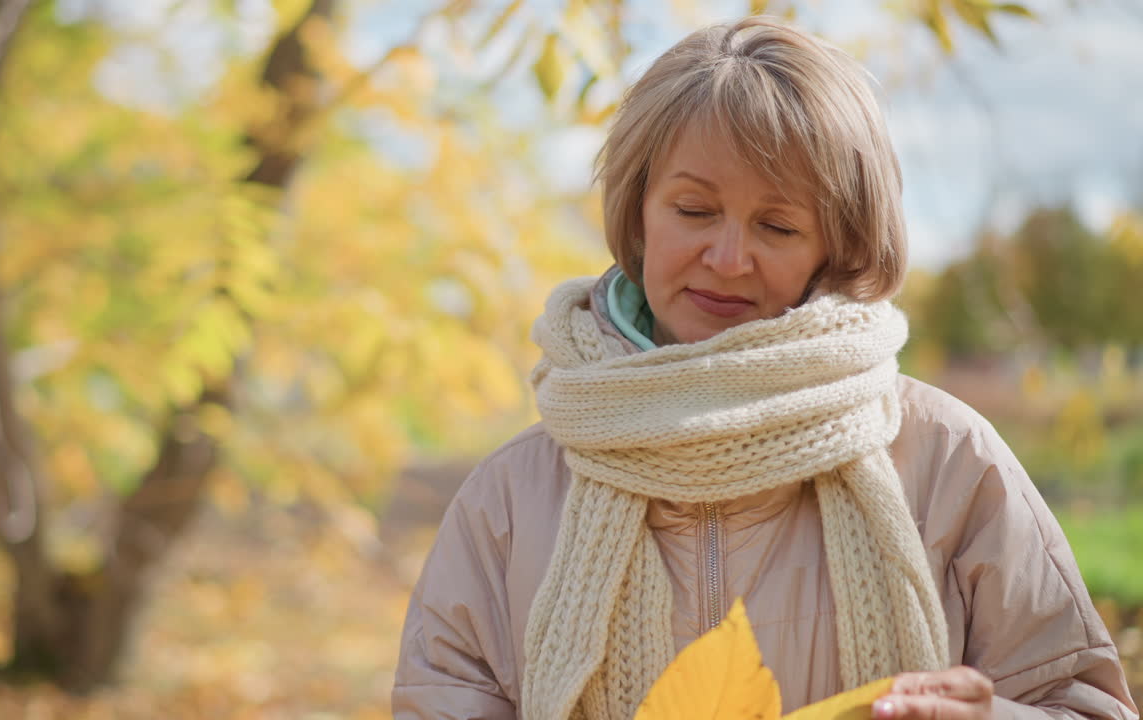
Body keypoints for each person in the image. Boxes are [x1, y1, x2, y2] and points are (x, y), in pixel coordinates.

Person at [393, 16, 1138, 720]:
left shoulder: (948, 459)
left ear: (835, 247)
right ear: (639, 212)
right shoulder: (512, 498)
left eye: (777, 226)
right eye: (693, 210)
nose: (727, 258)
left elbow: (1082, 701)